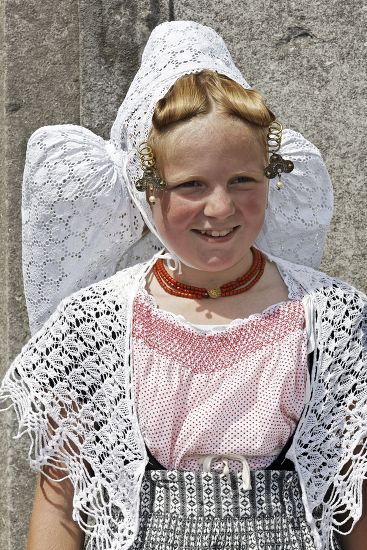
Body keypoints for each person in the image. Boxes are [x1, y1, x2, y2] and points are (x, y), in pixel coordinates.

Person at [0, 20, 366, 550]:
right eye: (191, 184)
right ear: (148, 192)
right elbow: (62, 499)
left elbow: (353, 499)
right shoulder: (92, 325)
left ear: (272, 179)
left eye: (242, 180)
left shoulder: (333, 319)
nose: (219, 208)